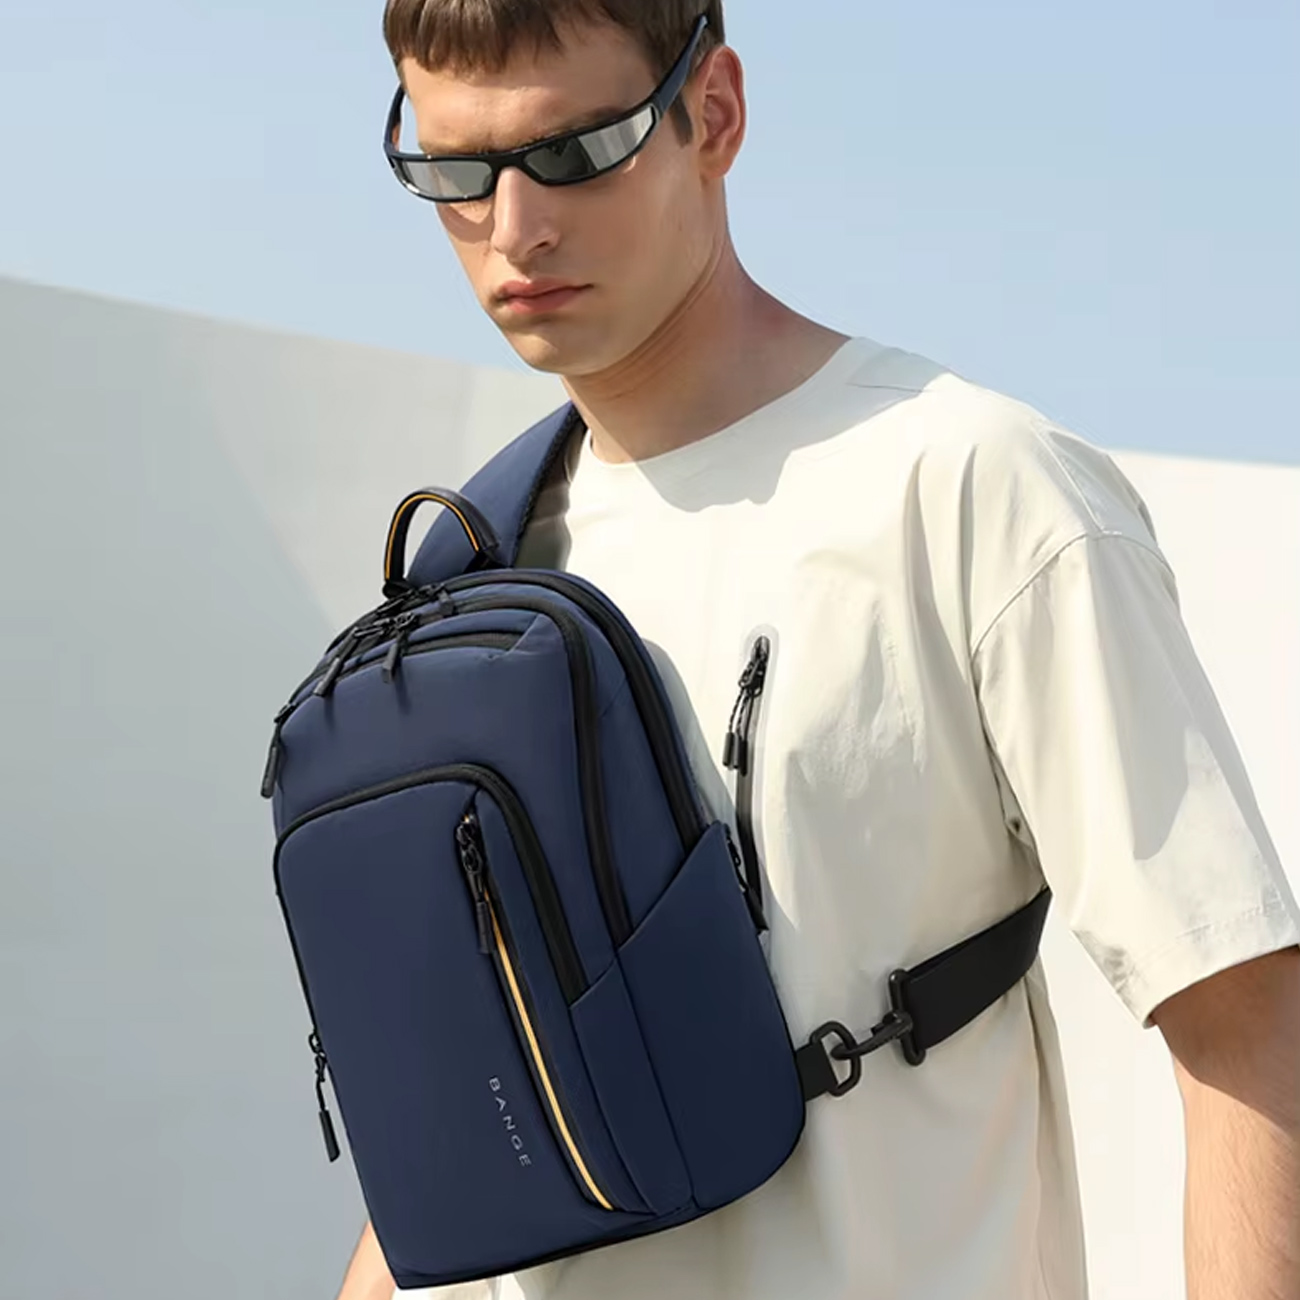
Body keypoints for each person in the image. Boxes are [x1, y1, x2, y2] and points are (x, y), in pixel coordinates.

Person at [337, 2, 1300, 1297]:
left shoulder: (970, 489)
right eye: (455, 171)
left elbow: (1247, 1024)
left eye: (570, 152)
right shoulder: (470, 576)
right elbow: (458, 1135)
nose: (514, 226)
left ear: (714, 114)